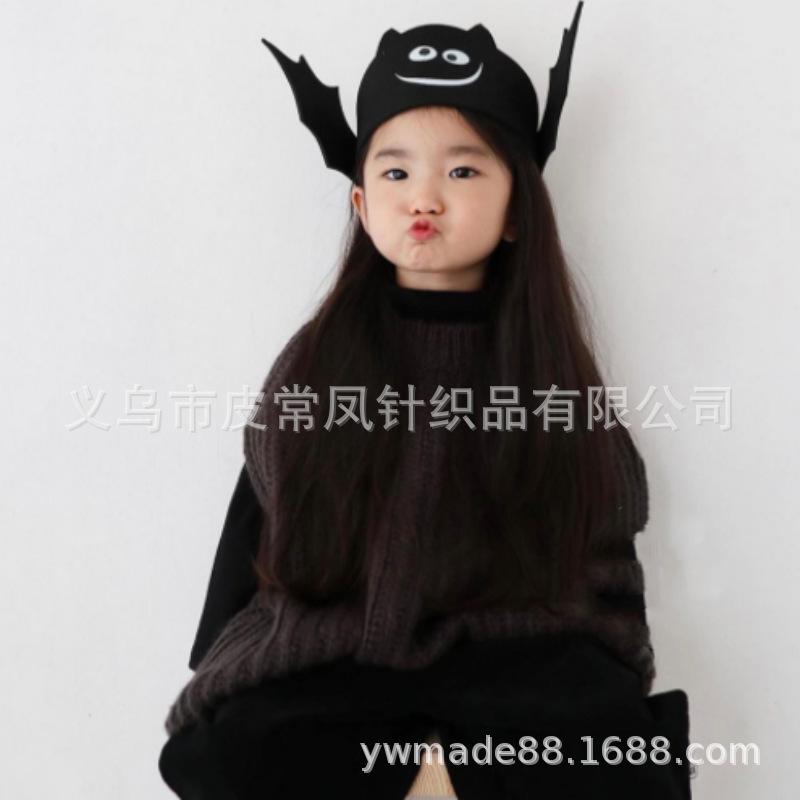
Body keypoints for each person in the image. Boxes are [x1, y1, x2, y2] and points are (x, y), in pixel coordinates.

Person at [159, 5, 692, 798]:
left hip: (514, 659)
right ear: (361, 205)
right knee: (229, 753)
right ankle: (433, 768)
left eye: (464, 172)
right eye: (396, 172)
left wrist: (603, 667)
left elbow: (604, 547)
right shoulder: (315, 368)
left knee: (621, 759)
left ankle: (436, 768)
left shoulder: (550, 374)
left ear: (517, 211)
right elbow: (262, 524)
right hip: (344, 656)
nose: (425, 198)